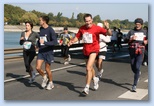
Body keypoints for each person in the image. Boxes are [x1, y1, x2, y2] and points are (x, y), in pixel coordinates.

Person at [68, 13, 112, 95]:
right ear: (84, 21)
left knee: (88, 68)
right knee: (91, 68)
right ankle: (94, 79)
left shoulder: (97, 28)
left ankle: (86, 88)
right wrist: (72, 41)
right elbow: (77, 37)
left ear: (92, 20)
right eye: (86, 21)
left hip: (94, 50)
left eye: (89, 21)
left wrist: (108, 27)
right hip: (86, 50)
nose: (88, 22)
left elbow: (109, 34)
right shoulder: (82, 28)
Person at [36, 16, 57, 90]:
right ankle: (45, 77)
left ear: (44, 21)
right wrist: (37, 45)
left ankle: (51, 83)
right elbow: (40, 39)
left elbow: (55, 42)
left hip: (48, 52)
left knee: (47, 69)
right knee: (38, 68)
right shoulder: (41, 29)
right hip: (41, 51)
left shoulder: (50, 30)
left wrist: (45, 42)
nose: (39, 21)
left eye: (40, 20)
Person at [127, 18, 148, 92]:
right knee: (133, 66)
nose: (137, 25)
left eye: (139, 24)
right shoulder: (131, 31)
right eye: (136, 24)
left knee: (137, 66)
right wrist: (131, 39)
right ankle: (138, 74)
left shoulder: (145, 32)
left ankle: (134, 85)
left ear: (142, 25)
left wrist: (146, 41)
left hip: (140, 51)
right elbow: (125, 40)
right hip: (132, 50)